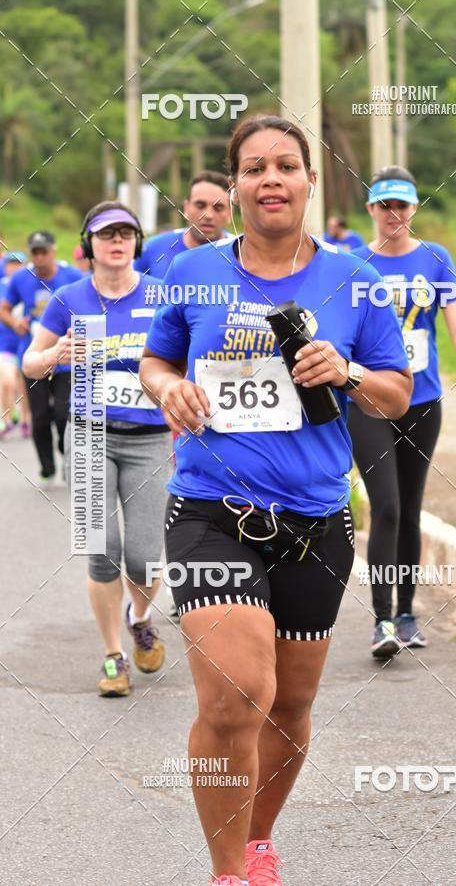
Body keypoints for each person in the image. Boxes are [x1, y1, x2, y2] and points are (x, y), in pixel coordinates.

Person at [140, 114, 412, 886]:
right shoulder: (193, 273)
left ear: (309, 182)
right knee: (238, 693)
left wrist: (348, 372)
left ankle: (257, 842)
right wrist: (170, 388)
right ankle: (227, 873)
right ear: (234, 185)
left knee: (289, 706)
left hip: (316, 521)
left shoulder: (355, 279)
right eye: (253, 167)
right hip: (210, 509)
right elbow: (156, 359)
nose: (270, 179)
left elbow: (395, 393)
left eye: (285, 166)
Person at [23, 201, 171, 697]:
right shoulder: (67, 298)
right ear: (89, 245)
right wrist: (54, 354)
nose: (117, 240)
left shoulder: (160, 296)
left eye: (127, 233)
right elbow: (29, 364)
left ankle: (141, 616)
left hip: (149, 438)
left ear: (136, 243)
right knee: (102, 550)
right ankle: (113, 656)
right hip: (88, 434)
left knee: (146, 558)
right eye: (107, 234)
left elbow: (185, 358)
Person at [349, 165, 456, 658]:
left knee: (409, 509)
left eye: (401, 205)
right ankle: (382, 619)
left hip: (423, 400)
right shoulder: (353, 263)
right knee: (384, 505)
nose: (393, 215)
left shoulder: (435, 259)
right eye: (384, 205)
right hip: (367, 398)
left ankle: (407, 614)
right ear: (370, 210)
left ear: (414, 209)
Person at [0, 231, 80, 484]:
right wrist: (15, 324)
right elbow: (4, 308)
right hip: (34, 358)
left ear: (53, 250)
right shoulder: (20, 278)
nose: (40, 257)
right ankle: (47, 467)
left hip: (66, 358)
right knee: (40, 416)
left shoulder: (72, 276)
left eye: (44, 251)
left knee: (61, 413)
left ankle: (65, 455)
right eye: (35, 252)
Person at [135, 171, 232, 279]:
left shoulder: (243, 254)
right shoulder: (151, 249)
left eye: (218, 207)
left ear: (229, 213)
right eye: (200, 206)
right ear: (186, 208)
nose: (208, 215)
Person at [0, 251, 31, 438]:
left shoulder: (31, 285)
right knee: (6, 380)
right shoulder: (2, 286)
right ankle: (8, 418)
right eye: (11, 264)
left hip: (27, 342)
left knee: (25, 383)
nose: (14, 267)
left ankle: (26, 419)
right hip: (5, 344)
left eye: (19, 264)